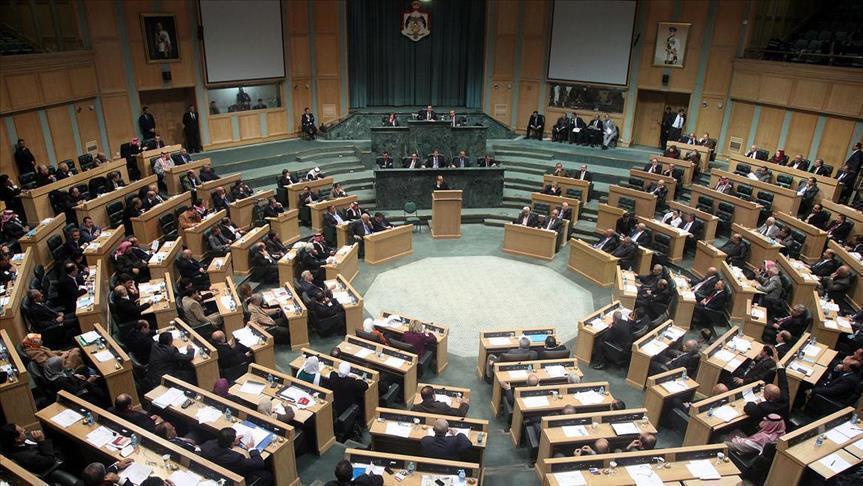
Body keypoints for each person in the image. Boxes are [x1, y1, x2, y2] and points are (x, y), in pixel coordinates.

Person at [201, 428, 273, 486]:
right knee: (267, 475)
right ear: (231, 443)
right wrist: (251, 449)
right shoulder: (235, 458)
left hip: (214, 471)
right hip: (235, 477)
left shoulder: (207, 445)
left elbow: (220, 442)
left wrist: (232, 442)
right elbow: (259, 463)